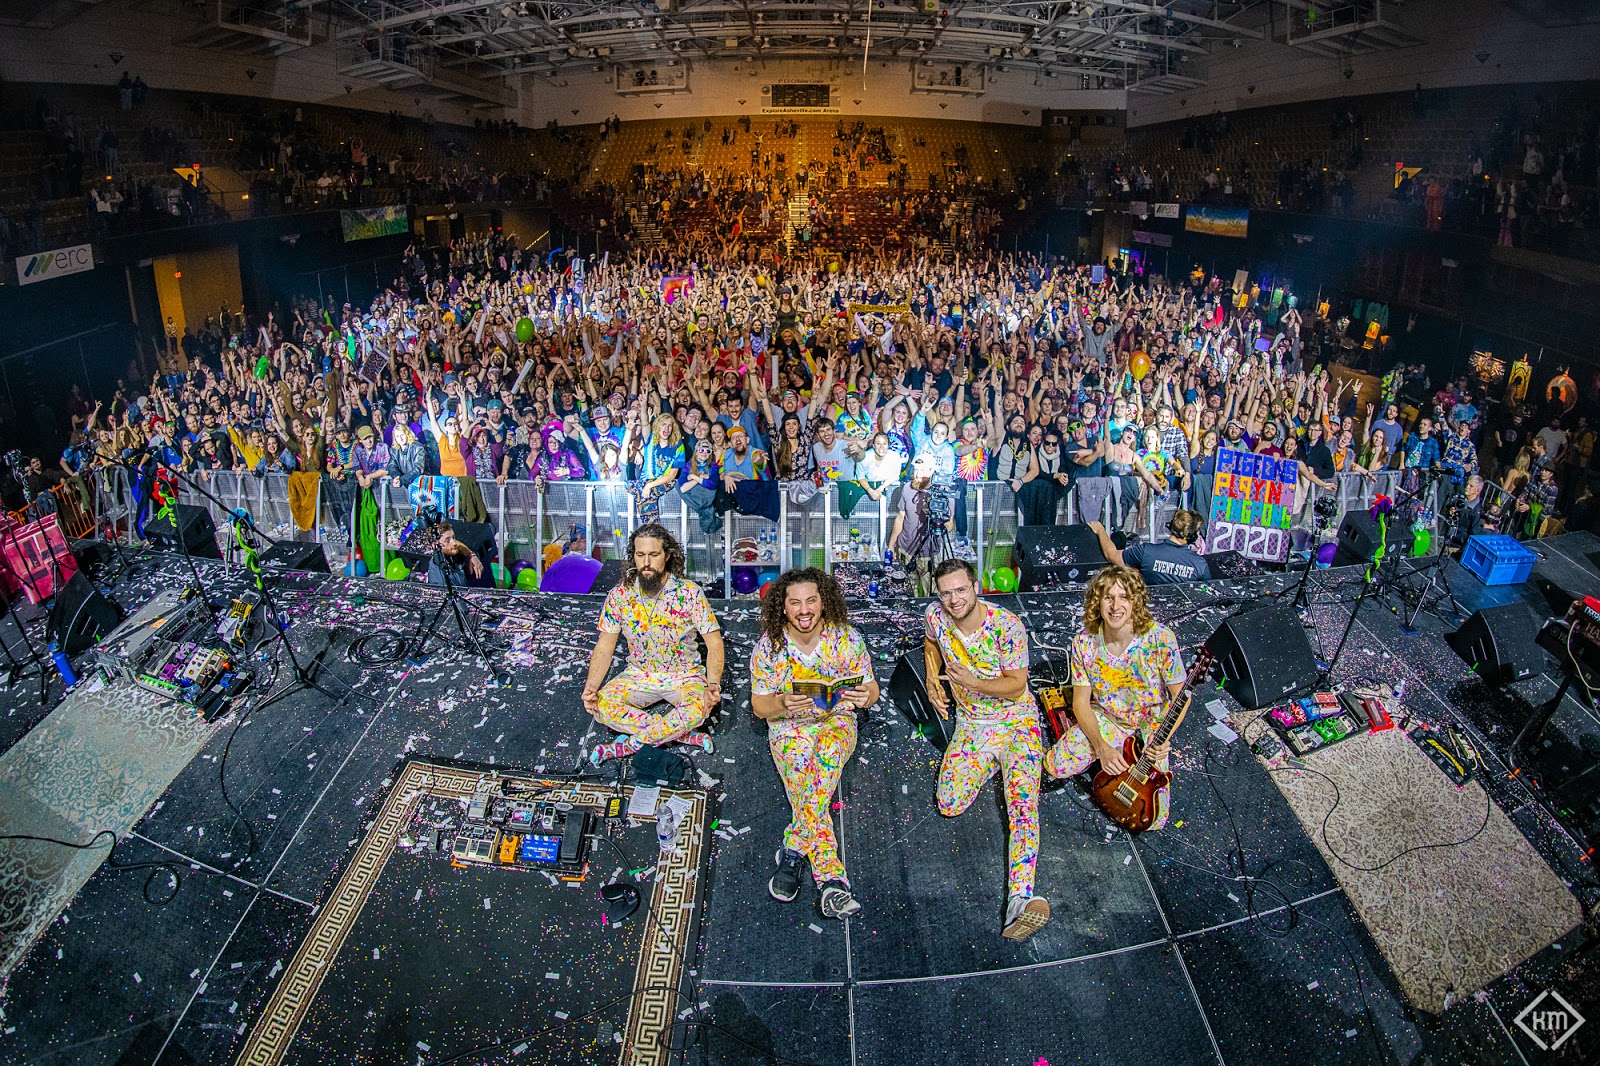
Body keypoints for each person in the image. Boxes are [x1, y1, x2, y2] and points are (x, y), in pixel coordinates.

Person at [923, 558, 1050, 941]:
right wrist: (933, 681)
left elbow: (1015, 685)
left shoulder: (1007, 626)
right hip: (973, 725)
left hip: (1016, 722)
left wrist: (975, 683)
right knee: (949, 803)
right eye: (946, 592)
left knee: (1022, 805)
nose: (954, 599)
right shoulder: (935, 615)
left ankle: (1019, 901)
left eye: (961, 590)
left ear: (975, 587)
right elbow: (931, 644)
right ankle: (995, 764)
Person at [749, 568, 878, 920]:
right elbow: (760, 706)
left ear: (823, 602)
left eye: (811, 601)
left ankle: (793, 848)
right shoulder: (768, 648)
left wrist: (864, 695)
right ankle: (832, 881)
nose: (804, 610)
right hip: (789, 728)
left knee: (828, 755)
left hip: (836, 720)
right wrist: (781, 703)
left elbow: (872, 690)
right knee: (810, 784)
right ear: (783, 607)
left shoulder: (847, 638)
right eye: (795, 603)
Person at [1044, 566, 1188, 831]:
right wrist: (1100, 746)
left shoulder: (1161, 639)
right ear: (1097, 602)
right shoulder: (1084, 643)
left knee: (1154, 821)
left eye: (1124, 597)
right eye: (1108, 597)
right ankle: (1104, 755)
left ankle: (1117, 762)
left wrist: (1163, 740)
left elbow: (1182, 696)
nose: (1115, 606)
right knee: (1055, 765)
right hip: (1108, 719)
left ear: (1136, 602)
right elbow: (1080, 703)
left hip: (1150, 727)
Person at [584, 523, 724, 765]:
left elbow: (714, 644)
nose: (646, 562)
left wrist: (712, 684)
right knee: (601, 706)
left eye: (653, 555)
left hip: (684, 676)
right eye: (640, 555)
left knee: (699, 707)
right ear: (633, 557)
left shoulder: (690, 593)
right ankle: (679, 734)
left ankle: (630, 744)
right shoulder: (619, 596)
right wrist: (591, 687)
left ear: (667, 556)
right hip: (639, 674)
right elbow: (605, 646)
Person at [1088, 509, 1211, 585]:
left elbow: (1112, 555)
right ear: (1193, 535)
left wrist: (1100, 530)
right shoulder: (1200, 564)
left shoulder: (1146, 551)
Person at [427, 520, 485, 585]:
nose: (454, 543)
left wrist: (471, 555)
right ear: (435, 546)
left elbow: (458, 544)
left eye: (453, 537)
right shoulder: (440, 581)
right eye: (447, 540)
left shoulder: (449, 554)